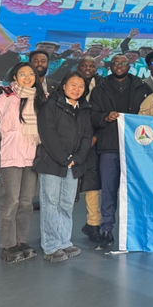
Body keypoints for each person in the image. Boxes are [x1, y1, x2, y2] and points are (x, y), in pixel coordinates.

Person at [89, 54, 151, 250]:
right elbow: (91, 115)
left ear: (129, 65)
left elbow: (150, 116)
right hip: (109, 146)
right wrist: (105, 117)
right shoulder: (100, 88)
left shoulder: (142, 87)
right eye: (115, 63)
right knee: (108, 191)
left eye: (123, 63)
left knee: (137, 190)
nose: (119, 66)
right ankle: (106, 231)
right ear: (110, 65)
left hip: (136, 148)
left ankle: (138, 231)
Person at [34, 72, 93, 263]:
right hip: (52, 162)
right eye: (73, 85)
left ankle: (64, 241)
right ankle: (51, 246)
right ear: (64, 86)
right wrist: (64, 158)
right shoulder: (51, 105)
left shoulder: (84, 108)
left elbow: (87, 136)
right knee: (50, 203)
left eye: (81, 86)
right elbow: (48, 134)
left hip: (73, 165)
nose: (77, 89)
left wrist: (77, 158)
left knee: (66, 204)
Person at [0, 63, 45, 264]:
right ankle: (8, 245)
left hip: (31, 157)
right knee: (10, 201)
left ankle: (22, 241)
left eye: (31, 74)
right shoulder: (5, 97)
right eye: (23, 74)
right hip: (9, 157)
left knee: (26, 203)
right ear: (15, 77)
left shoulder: (40, 98)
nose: (27, 77)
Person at [75, 56, 103, 243]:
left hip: (93, 139)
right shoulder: (69, 83)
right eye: (84, 65)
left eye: (91, 66)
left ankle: (93, 223)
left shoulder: (103, 85)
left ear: (96, 68)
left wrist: (96, 135)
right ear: (78, 67)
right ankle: (59, 231)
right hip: (71, 139)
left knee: (92, 181)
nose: (87, 68)